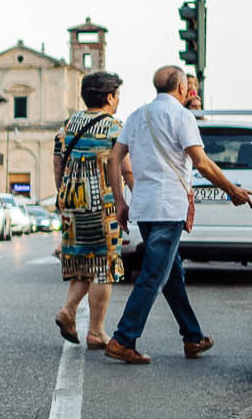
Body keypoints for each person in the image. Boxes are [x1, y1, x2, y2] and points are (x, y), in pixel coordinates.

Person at [104, 65, 249, 364]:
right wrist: (232, 190)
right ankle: (123, 339)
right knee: (153, 275)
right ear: (181, 88)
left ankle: (192, 337)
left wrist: (119, 201)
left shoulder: (136, 116)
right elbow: (201, 163)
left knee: (171, 274)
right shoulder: (182, 117)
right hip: (168, 208)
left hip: (144, 207)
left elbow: (114, 158)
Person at [53, 70, 126, 350]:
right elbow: (126, 169)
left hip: (71, 202)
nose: (118, 100)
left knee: (82, 263)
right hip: (102, 205)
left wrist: (64, 197)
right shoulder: (114, 128)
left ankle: (68, 310)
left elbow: (58, 165)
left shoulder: (68, 125)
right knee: (103, 267)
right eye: (117, 95)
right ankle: (96, 331)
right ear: (109, 97)